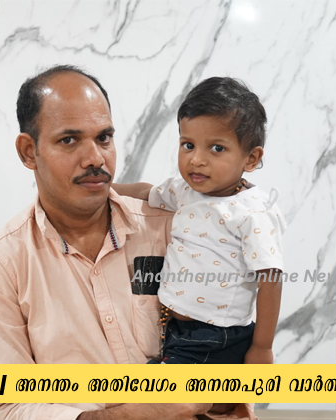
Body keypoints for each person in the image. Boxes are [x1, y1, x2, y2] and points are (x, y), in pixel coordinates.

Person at [0, 65, 255, 420]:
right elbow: (6, 408)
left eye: (104, 138)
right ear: (28, 151)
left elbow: (230, 341)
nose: (95, 158)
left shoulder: (174, 228)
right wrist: (128, 415)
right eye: (69, 140)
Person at [114, 77, 285, 366]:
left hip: (217, 336)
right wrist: (106, 190)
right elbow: (147, 192)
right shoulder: (184, 191)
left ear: (251, 158)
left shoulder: (253, 212)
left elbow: (270, 280)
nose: (196, 159)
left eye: (216, 148)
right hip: (175, 328)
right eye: (188, 145)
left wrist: (262, 347)